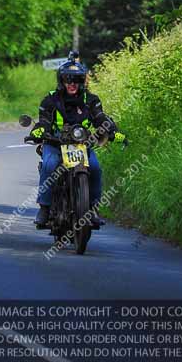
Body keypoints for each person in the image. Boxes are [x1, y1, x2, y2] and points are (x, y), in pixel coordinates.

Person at [30, 52, 122, 229]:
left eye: (77, 79)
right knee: (49, 166)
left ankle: (93, 209)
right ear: (61, 81)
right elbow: (44, 121)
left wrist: (114, 133)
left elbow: (100, 118)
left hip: (82, 145)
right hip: (55, 144)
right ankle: (45, 208)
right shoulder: (50, 99)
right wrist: (38, 131)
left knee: (95, 168)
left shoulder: (91, 99)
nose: (72, 83)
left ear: (82, 81)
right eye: (68, 79)